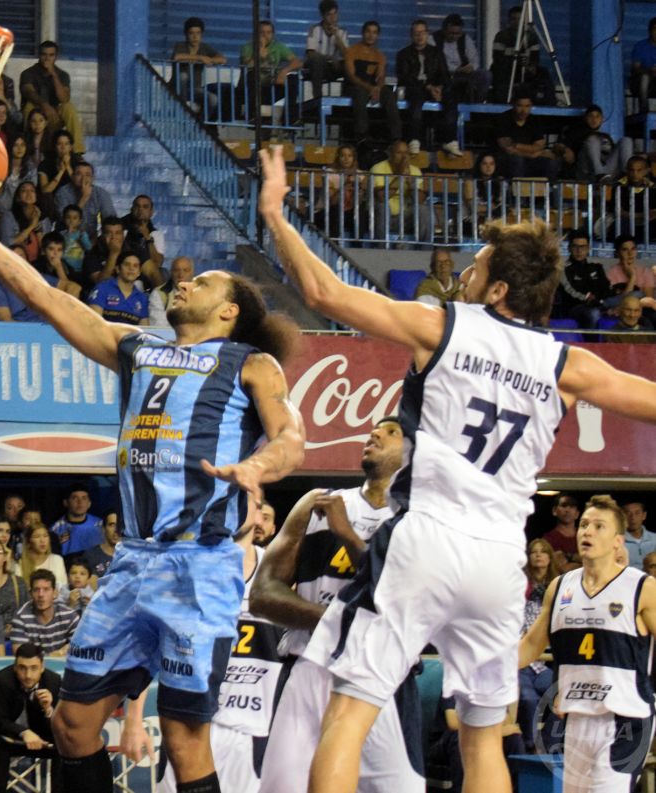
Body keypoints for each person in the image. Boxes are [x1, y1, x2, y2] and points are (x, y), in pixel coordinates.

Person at [258, 144, 656, 793]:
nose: (466, 271)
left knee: (347, 714)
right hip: (499, 561)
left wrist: (276, 214)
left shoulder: (443, 324)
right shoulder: (568, 365)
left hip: (427, 540)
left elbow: (322, 290)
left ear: (498, 289)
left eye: (478, 264)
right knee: (483, 740)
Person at [0, 186, 305, 793]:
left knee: (183, 739)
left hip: (199, 565)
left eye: (203, 283)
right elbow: (43, 295)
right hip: (133, 561)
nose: (185, 283)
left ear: (229, 311)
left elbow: (291, 437)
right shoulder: (139, 348)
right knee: (72, 725)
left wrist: (260, 465)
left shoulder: (251, 363)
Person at [253, 417, 422, 793]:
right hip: (310, 666)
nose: (375, 433)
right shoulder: (318, 503)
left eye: (392, 432)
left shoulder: (419, 521)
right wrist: (338, 620)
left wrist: (347, 535)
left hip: (385, 676)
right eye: (376, 429)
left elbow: (402, 600)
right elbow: (263, 594)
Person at [519, 495, 656, 789]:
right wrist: (485, 666)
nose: (587, 531)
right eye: (583, 525)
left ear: (618, 541)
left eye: (598, 526)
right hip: (577, 716)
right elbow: (531, 645)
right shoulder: (560, 587)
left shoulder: (642, 587)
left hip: (626, 717)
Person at [149, 524, 282, 793]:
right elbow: (149, 644)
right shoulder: (180, 565)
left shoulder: (278, 569)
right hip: (189, 721)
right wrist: (133, 720)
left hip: (249, 726)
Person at [0, 642, 61, 793]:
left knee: (64, 746)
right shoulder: (1, 681)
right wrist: (24, 732)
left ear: (42, 667)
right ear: (15, 667)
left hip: (40, 740)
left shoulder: (53, 681)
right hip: (9, 739)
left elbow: (59, 727)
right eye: (22, 668)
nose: (28, 675)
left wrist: (48, 710)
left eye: (34, 668)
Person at [396, 20, 460, 157]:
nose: (419, 36)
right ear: (411, 35)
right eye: (416, 33)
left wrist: (440, 88)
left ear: (427, 34)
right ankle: (414, 139)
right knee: (416, 98)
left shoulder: (436, 53)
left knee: (451, 99)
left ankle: (450, 140)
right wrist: (428, 86)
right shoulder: (403, 54)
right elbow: (405, 78)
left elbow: (444, 75)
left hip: (434, 88)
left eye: (422, 32)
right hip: (415, 88)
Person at [517, 537, 558, 751]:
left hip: (544, 663)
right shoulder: (519, 585)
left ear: (550, 557)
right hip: (522, 660)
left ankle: (549, 744)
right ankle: (530, 747)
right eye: (534, 551)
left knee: (563, 692)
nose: (538, 555)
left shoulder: (559, 587)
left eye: (543, 551)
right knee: (528, 699)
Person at [20, 40, 85, 155]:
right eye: (44, 55)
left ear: (56, 57)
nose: (47, 58)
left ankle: (77, 151)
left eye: (51, 55)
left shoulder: (62, 75)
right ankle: (26, 147)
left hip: (54, 118)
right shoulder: (28, 73)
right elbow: (28, 92)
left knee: (68, 107)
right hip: (36, 118)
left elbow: (64, 99)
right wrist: (44, 105)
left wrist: (54, 75)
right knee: (29, 106)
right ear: (39, 55)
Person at [344, 21, 401, 146]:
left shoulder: (380, 56)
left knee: (390, 95)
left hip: (371, 88)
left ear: (378, 36)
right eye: (368, 31)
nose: (371, 35)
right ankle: (361, 135)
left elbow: (380, 76)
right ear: (363, 33)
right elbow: (351, 77)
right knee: (360, 93)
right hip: (354, 87)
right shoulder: (351, 51)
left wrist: (378, 88)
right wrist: (370, 88)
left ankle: (396, 137)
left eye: (374, 32)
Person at [239, 21, 302, 126]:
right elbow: (248, 65)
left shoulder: (278, 46)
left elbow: (297, 62)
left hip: (271, 87)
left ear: (273, 34)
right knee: (251, 75)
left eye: (268, 32)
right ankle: (252, 116)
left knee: (293, 79)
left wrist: (284, 71)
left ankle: (289, 119)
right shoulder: (248, 47)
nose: (265, 36)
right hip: (253, 90)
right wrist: (260, 49)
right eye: (262, 32)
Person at [491, 5, 554, 104]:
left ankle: (549, 101)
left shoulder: (531, 37)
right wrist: (514, 60)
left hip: (525, 69)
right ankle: (502, 100)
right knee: (498, 71)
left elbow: (535, 58)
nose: (517, 22)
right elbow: (497, 58)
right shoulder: (502, 36)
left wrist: (531, 65)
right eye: (514, 19)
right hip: (506, 69)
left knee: (543, 72)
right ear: (509, 21)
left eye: (520, 19)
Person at [370, 140, 431, 243]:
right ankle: (381, 247)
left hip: (406, 218)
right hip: (383, 217)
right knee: (382, 207)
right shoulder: (378, 168)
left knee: (423, 209)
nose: (403, 157)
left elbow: (420, 200)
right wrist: (400, 176)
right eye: (399, 153)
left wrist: (411, 182)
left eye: (406, 153)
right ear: (390, 154)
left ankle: (425, 248)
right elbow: (382, 197)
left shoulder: (415, 170)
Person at [9, 569, 79, 657]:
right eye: (36, 590)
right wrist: (56, 655)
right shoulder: (21, 618)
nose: (41, 595)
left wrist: (60, 653)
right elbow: (21, 656)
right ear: (30, 593)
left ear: (55, 593)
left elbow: (81, 648)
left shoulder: (70, 616)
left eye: (46, 589)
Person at [555, 104, 633, 181]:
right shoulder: (577, 132)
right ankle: (599, 174)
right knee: (593, 139)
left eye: (597, 116)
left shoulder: (606, 136)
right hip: (587, 171)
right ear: (585, 118)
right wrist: (565, 150)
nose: (594, 119)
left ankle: (627, 175)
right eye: (590, 116)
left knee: (626, 140)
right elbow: (558, 146)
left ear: (602, 119)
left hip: (607, 170)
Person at [552, 229, 611, 330]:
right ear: (569, 248)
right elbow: (569, 293)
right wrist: (588, 299)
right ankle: (591, 340)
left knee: (632, 299)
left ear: (588, 248)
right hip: (576, 307)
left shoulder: (596, 267)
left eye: (582, 247)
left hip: (599, 302)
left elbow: (606, 289)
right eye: (575, 246)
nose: (579, 251)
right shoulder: (563, 269)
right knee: (594, 313)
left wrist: (598, 300)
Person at [494, 91, 560, 180]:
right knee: (517, 160)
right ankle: (517, 188)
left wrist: (517, 145)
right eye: (519, 106)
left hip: (529, 160)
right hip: (507, 160)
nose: (523, 110)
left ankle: (549, 188)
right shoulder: (503, 119)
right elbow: (508, 148)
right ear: (513, 105)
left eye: (527, 106)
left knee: (551, 161)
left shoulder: (534, 120)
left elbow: (539, 146)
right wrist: (532, 154)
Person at [170, 16, 226, 112]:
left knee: (213, 99)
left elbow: (223, 59)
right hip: (177, 88)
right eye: (191, 33)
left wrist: (210, 60)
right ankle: (183, 108)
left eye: (198, 33)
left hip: (194, 89)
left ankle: (200, 120)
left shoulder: (205, 47)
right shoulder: (180, 45)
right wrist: (200, 58)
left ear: (201, 34)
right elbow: (177, 57)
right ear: (186, 34)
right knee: (183, 76)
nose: (195, 37)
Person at [431, 13, 490, 103]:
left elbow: (474, 59)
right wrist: (455, 69)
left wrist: (471, 67)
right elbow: (434, 62)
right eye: (451, 33)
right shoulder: (433, 39)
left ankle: (478, 103)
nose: (454, 36)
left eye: (457, 33)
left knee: (485, 75)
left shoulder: (465, 39)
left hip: (462, 74)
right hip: (443, 75)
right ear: (444, 30)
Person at [304, 0, 349, 101]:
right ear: (323, 16)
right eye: (329, 15)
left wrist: (337, 36)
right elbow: (310, 53)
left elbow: (346, 55)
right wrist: (329, 58)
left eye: (335, 13)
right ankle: (318, 99)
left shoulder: (342, 31)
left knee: (349, 64)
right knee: (316, 60)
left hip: (334, 67)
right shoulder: (314, 29)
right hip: (317, 66)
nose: (333, 18)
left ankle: (345, 100)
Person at [87, 252, 150, 325]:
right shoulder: (102, 288)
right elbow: (94, 323)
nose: (131, 268)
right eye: (127, 264)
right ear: (117, 269)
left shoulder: (142, 298)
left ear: (139, 272)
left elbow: (145, 328)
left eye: (135, 266)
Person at [48, 485, 104, 559]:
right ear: (66, 503)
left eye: (84, 498)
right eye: (75, 498)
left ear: (89, 504)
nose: (80, 502)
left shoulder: (100, 525)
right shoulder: (56, 529)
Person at [542, 492, 582, 572]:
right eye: (564, 506)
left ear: (577, 514)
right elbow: (564, 568)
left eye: (572, 506)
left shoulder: (585, 535)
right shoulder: (549, 539)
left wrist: (569, 556)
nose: (567, 510)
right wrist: (583, 562)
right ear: (554, 511)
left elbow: (597, 561)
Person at [149, 256, 194, 327]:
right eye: (176, 270)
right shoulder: (158, 294)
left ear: (192, 273)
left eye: (185, 270)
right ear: (171, 272)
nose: (181, 275)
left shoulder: (202, 293)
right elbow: (158, 326)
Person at [83, 511, 120, 579]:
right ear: (103, 528)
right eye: (112, 525)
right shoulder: (90, 555)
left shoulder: (131, 555)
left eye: (120, 525)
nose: (116, 530)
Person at [631, 17, 656, 107]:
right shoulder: (640, 46)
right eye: (655, 29)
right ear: (650, 31)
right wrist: (650, 71)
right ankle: (644, 108)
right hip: (641, 82)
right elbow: (636, 68)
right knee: (645, 77)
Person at [623, 501, 656, 568]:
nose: (633, 517)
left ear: (644, 515)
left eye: (637, 513)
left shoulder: (654, 538)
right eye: (628, 513)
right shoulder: (617, 542)